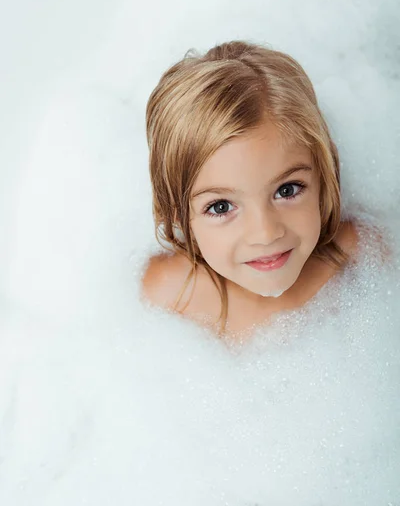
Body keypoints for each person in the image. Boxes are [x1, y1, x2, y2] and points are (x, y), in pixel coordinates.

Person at [140, 39, 388, 346]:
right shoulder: (169, 294)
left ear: (325, 180)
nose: (265, 232)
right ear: (178, 214)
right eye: (220, 207)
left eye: (287, 190)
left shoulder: (360, 257)